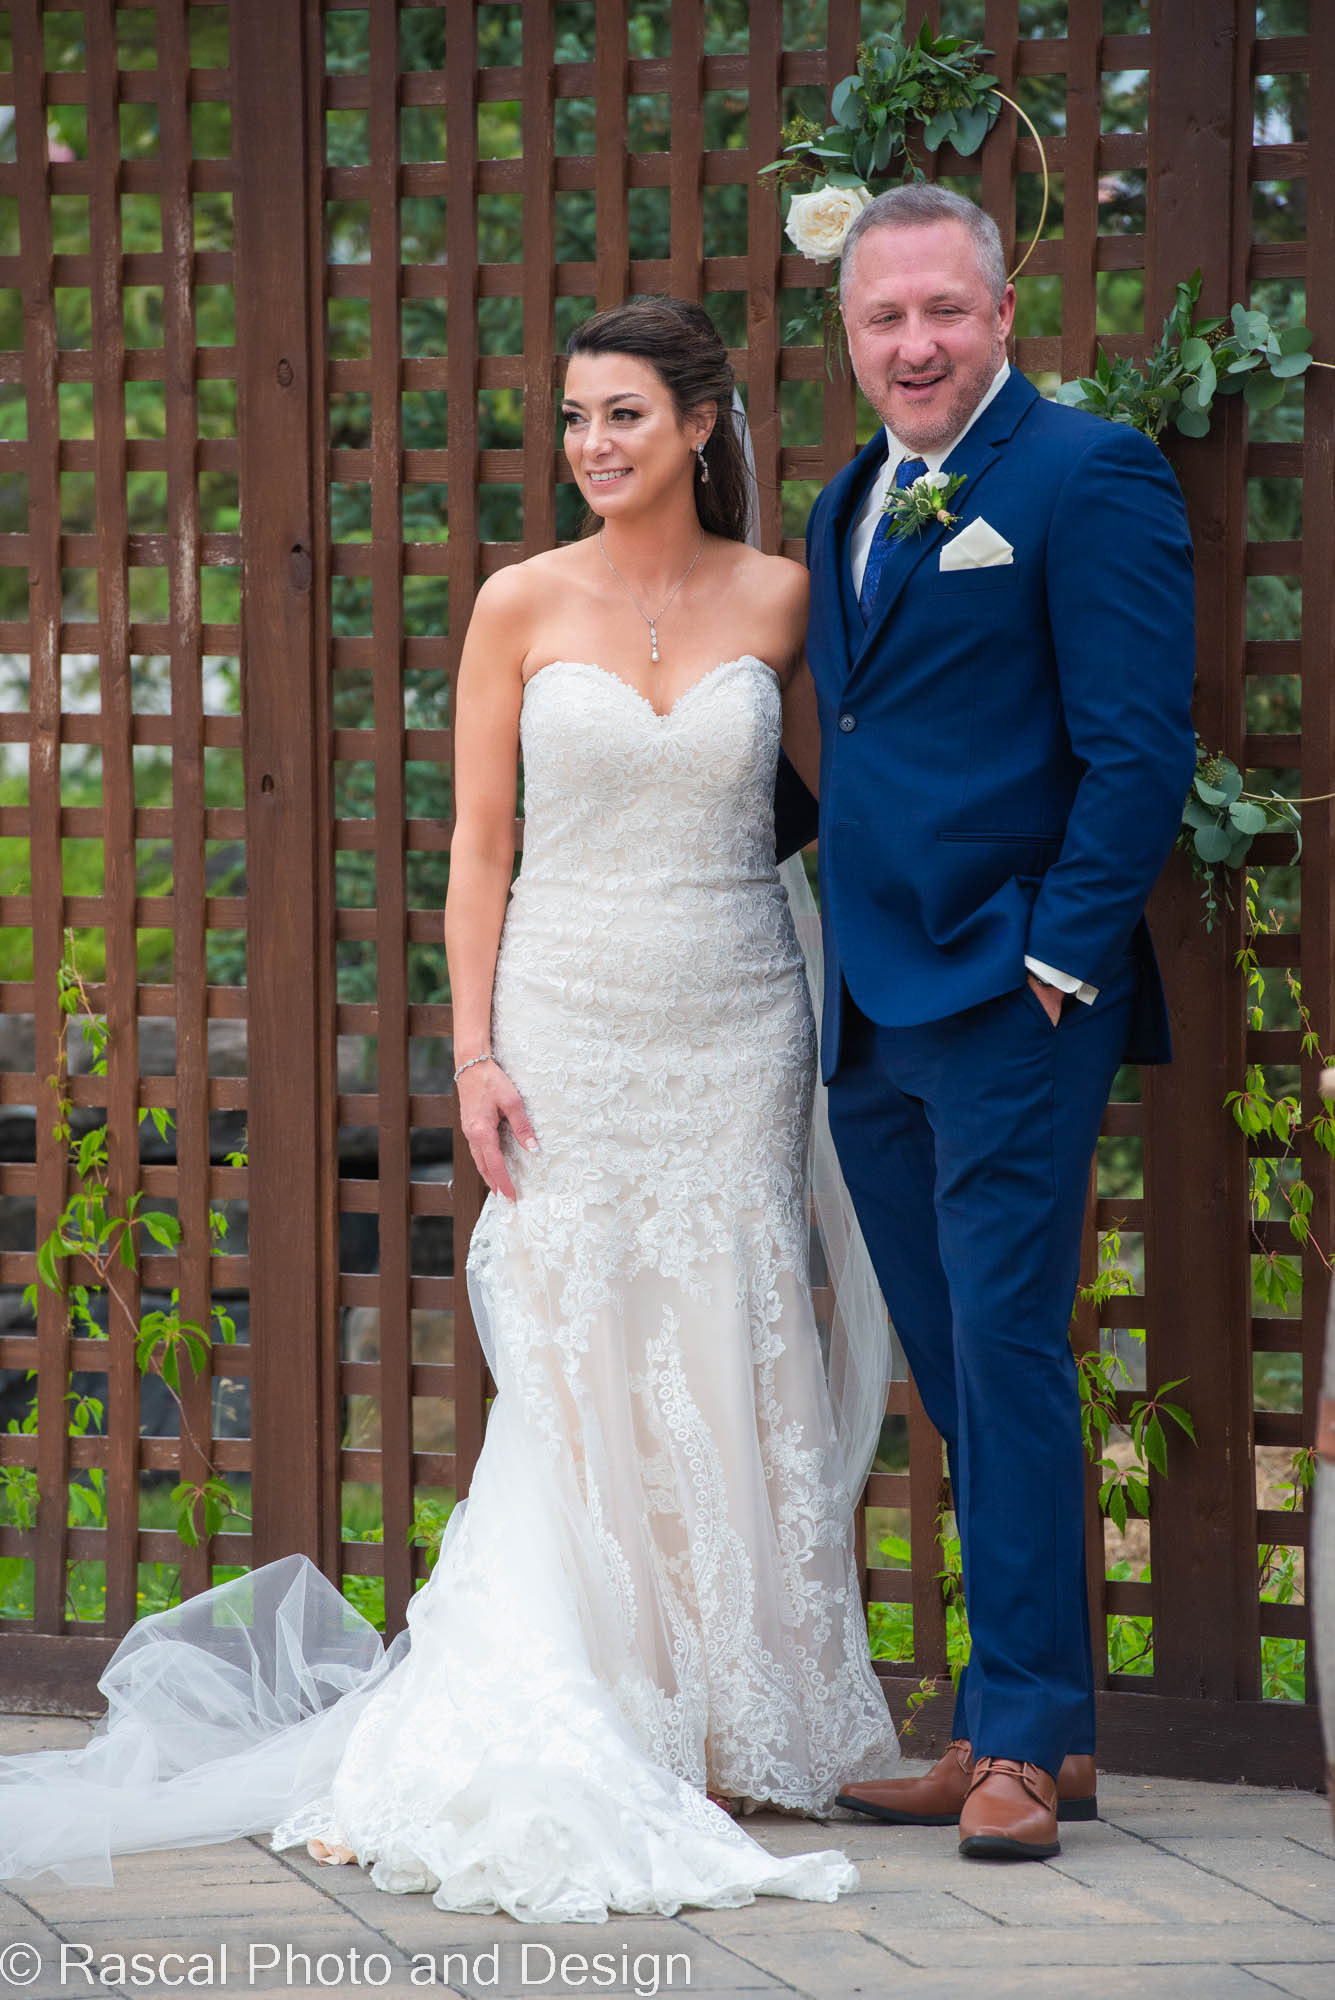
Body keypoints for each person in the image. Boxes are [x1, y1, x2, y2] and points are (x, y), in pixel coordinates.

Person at [0, 297, 897, 1919]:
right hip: (566, 1015)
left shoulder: (784, 601)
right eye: (573, 418)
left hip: (739, 1016)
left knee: (728, 1328)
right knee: (575, 1351)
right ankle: (590, 1701)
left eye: (623, 414)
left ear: (704, 424)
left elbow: (857, 805)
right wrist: (476, 1055)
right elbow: (478, 853)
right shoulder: (516, 601)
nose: (591, 447)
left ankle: (724, 1710)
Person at [802, 185, 1197, 1860]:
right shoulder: (847, 505)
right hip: (872, 1000)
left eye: (943, 311)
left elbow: (1138, 748)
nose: (915, 344)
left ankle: (1017, 1743)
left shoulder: (1086, 472)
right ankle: (1038, 1718)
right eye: (884, 318)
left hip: (1012, 992)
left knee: (1013, 1351)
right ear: (850, 338)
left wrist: (1060, 960)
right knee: (961, 1368)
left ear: (1004, 309)